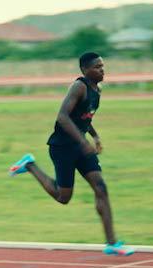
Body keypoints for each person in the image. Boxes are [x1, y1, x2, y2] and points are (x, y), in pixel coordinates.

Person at [9, 52, 135, 256]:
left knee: (101, 187)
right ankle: (30, 165)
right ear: (85, 70)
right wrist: (81, 142)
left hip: (81, 145)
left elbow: (85, 117)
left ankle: (112, 243)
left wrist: (95, 137)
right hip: (63, 147)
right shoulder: (79, 87)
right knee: (63, 196)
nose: (102, 70)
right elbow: (63, 117)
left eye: (103, 66)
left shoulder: (97, 89)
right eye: (97, 67)